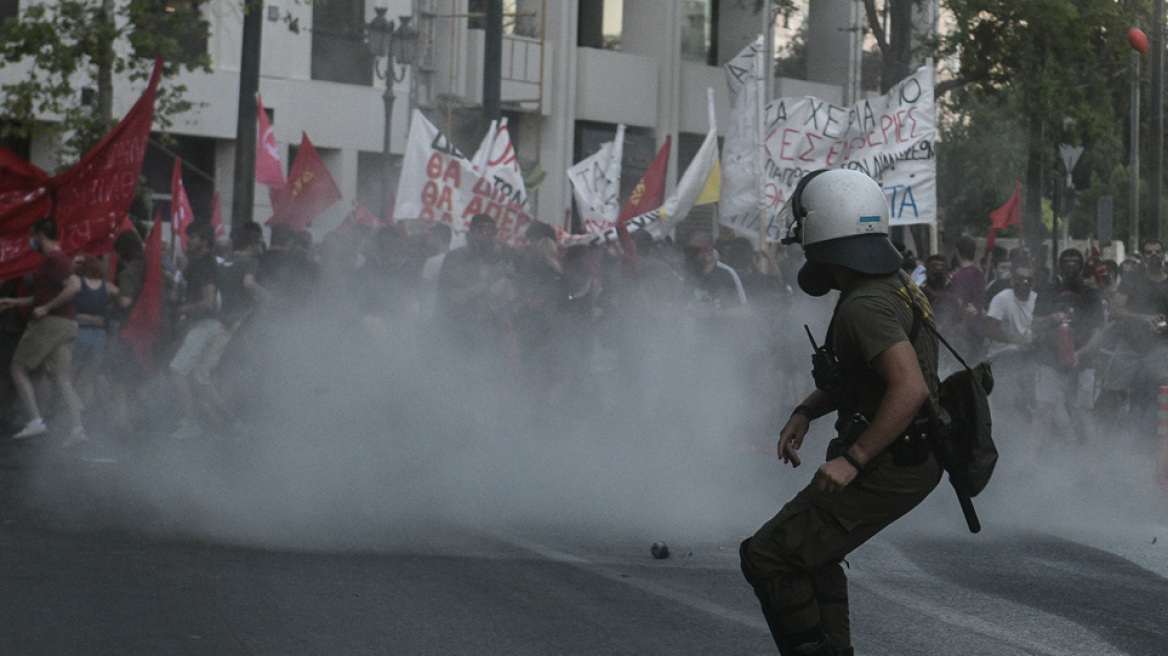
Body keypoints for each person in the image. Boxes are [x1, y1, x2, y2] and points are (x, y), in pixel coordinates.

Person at [740, 169, 943, 656]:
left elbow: (908, 386)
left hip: (893, 459)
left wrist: (852, 460)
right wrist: (806, 410)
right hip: (913, 450)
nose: (800, 243)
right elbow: (863, 374)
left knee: (767, 555)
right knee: (812, 554)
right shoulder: (891, 283)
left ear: (826, 229)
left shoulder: (863, 306)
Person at [3, 218, 88, 445]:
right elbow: (42, 298)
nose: (31, 241)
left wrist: (47, 308)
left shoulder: (54, 258)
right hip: (67, 325)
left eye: (32, 235)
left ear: (40, 234)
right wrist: (14, 302)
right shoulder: (55, 260)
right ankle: (78, 428)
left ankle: (35, 420)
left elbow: (74, 286)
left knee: (18, 367)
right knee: (62, 377)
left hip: (52, 323)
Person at [1029, 248, 1105, 453]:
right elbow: (1035, 325)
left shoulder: (1091, 294)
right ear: (1059, 265)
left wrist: (1080, 353)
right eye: (1066, 261)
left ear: (1081, 266)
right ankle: (1031, 460)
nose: (1070, 266)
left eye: (1075, 262)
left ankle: (1091, 462)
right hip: (1050, 359)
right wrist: (1051, 319)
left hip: (1084, 360)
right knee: (1044, 409)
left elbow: (1098, 331)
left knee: (1084, 411)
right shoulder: (1047, 291)